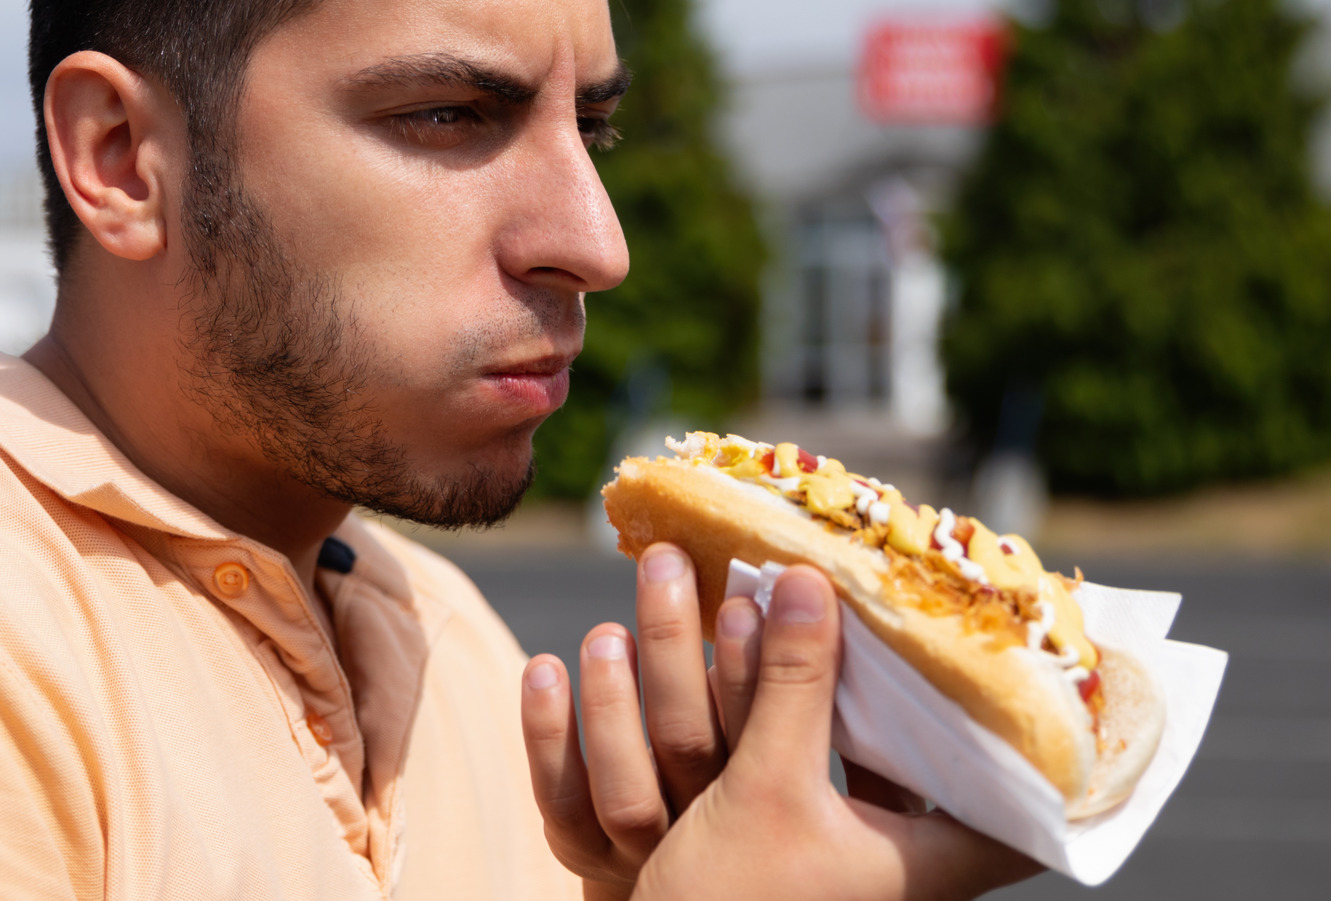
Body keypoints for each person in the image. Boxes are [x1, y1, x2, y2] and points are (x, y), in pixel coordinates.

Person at [0, 0, 1040, 898]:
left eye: (592, 127)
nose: (598, 245)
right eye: (449, 115)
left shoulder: (456, 641)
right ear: (122, 157)